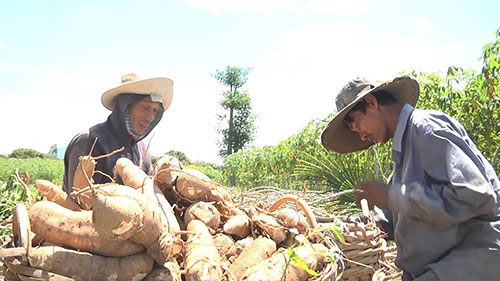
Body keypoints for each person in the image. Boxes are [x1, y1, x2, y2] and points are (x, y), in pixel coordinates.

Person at [321, 76, 500, 280]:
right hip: (437, 265)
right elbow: (393, 214)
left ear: (371, 102)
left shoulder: (426, 128)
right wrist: (357, 224)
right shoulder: (403, 157)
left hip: (475, 254)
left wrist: (391, 196)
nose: (362, 136)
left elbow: (476, 196)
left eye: (357, 125)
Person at [62, 73, 173, 194]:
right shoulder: (90, 141)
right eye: (145, 108)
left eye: (155, 110)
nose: (150, 117)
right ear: (125, 107)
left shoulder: (142, 149)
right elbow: (79, 202)